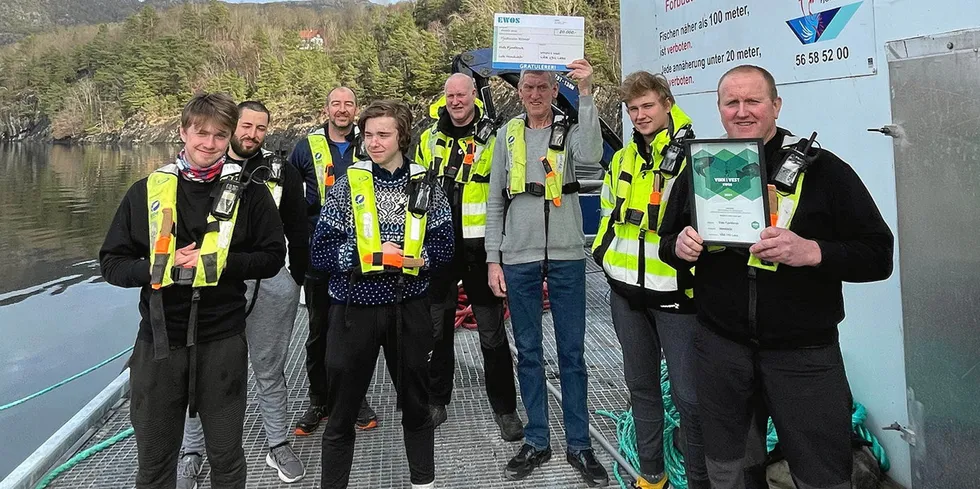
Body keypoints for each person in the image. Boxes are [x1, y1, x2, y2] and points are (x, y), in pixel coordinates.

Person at [658, 65, 894, 489]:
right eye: (732, 102)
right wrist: (679, 248)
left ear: (776, 105)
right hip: (721, 350)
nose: (742, 111)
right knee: (729, 469)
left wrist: (812, 251)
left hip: (804, 355)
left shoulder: (825, 171)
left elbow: (879, 254)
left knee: (823, 474)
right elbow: (667, 241)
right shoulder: (701, 168)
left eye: (754, 101)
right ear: (719, 109)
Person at [99, 92, 286, 489]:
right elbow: (112, 264)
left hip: (222, 339)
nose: (209, 143)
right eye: (201, 133)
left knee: (227, 460)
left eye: (220, 135)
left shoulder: (250, 193)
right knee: (153, 464)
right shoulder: (144, 193)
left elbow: (272, 256)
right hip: (160, 342)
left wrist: (214, 262)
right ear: (183, 132)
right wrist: (160, 268)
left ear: (229, 138)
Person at [312, 100, 454, 489]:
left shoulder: (426, 185)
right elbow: (320, 251)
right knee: (341, 413)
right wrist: (366, 255)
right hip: (353, 310)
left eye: (383, 134)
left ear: (402, 137)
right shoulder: (347, 186)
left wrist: (421, 258)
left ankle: (422, 483)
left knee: (416, 406)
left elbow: (445, 245)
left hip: (407, 308)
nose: (374, 142)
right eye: (368, 135)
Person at [484, 60, 609, 486]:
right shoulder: (507, 135)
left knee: (573, 354)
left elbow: (592, 158)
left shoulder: (571, 130)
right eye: (528, 87)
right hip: (517, 255)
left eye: (543, 87)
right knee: (529, 351)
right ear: (518, 92)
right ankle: (537, 439)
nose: (535, 94)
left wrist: (587, 91)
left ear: (555, 92)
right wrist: (492, 258)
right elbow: (494, 201)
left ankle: (580, 444)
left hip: (566, 253)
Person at [176, 101, 308, 488]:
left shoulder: (282, 172)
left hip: (269, 281)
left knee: (269, 367)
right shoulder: (201, 169)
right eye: (245, 125)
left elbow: (298, 231)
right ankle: (192, 451)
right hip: (212, 284)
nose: (251, 134)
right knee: (202, 368)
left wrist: (293, 281)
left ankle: (278, 442)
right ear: (232, 125)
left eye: (260, 128)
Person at [591, 71, 708, 489]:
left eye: (647, 106)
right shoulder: (623, 159)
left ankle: (700, 480)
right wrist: (604, 255)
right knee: (641, 388)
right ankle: (652, 474)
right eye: (633, 109)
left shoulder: (698, 156)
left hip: (676, 298)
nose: (640, 115)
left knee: (689, 398)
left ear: (667, 103)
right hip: (625, 295)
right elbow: (608, 212)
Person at [415, 73, 523, 439]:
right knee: (436, 329)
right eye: (450, 95)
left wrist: (502, 250)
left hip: (481, 250)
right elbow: (416, 190)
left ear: (474, 95)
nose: (456, 101)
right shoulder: (429, 139)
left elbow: (507, 191)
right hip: (439, 247)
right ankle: (436, 401)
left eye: (462, 94)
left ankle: (505, 410)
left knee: (492, 334)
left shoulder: (495, 137)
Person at [288, 86, 378, 436]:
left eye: (349, 104)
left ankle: (356, 397)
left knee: (357, 331)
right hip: (319, 255)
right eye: (336, 103)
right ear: (326, 108)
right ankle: (319, 399)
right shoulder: (304, 148)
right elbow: (290, 205)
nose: (342, 110)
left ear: (357, 109)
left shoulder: (371, 142)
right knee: (319, 331)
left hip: (361, 255)